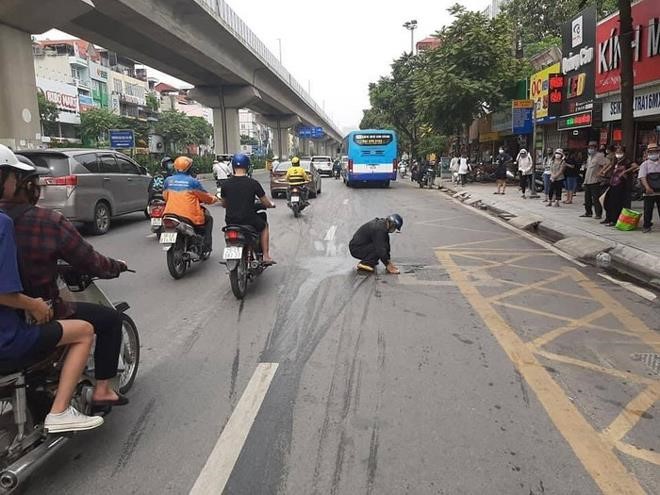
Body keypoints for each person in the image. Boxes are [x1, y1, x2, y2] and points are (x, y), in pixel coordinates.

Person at [0, 150, 132, 409]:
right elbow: (89, 260)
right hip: (33, 316)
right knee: (109, 319)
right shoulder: (44, 221)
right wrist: (117, 267)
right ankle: (101, 390)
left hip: (9, 319)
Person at [219, 153, 276, 263]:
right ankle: (265, 255)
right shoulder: (253, 183)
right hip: (248, 220)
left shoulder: (225, 184)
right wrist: (270, 205)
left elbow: (224, 204)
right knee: (264, 226)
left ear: (233, 166)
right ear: (248, 167)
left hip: (231, 221)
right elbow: (265, 202)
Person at [163, 156, 218, 252]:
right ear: (189, 168)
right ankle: (206, 246)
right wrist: (214, 199)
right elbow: (206, 198)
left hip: (169, 213)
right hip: (188, 216)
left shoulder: (168, 181)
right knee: (208, 219)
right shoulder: (193, 182)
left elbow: (165, 196)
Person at [601, 145, 636, 226]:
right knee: (608, 201)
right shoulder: (616, 160)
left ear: (623, 152)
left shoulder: (627, 160)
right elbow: (610, 166)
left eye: (620, 152)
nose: (618, 153)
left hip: (621, 184)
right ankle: (608, 218)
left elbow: (635, 166)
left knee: (617, 202)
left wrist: (625, 171)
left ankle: (614, 219)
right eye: (617, 152)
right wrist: (604, 172)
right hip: (613, 183)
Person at [580, 141, 606, 219]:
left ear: (595, 148)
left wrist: (601, 172)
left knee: (596, 199)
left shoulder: (599, 156)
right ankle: (588, 212)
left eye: (592, 148)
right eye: (589, 148)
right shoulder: (589, 157)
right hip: (587, 180)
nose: (590, 149)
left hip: (595, 180)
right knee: (587, 198)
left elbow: (607, 164)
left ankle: (598, 214)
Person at [639, 143, 660, 233]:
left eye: (655, 151)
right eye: (651, 152)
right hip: (649, 190)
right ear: (648, 153)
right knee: (648, 209)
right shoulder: (645, 164)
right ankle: (647, 225)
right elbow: (642, 177)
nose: (653, 153)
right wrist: (647, 187)